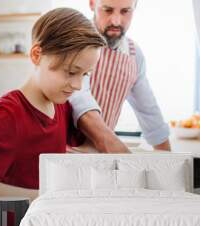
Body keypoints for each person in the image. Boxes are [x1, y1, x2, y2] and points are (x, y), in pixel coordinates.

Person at [0, 8, 106, 226]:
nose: (77, 85)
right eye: (71, 72)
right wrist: (40, 198)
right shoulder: (9, 113)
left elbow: (86, 146)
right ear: (37, 55)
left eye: (85, 75)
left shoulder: (60, 104)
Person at [69, 0, 171, 152]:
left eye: (125, 11)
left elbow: (149, 111)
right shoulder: (74, 41)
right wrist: (114, 146)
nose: (116, 21)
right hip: (65, 153)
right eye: (108, 10)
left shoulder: (134, 54)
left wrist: (168, 160)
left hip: (101, 155)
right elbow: (79, 99)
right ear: (92, 4)